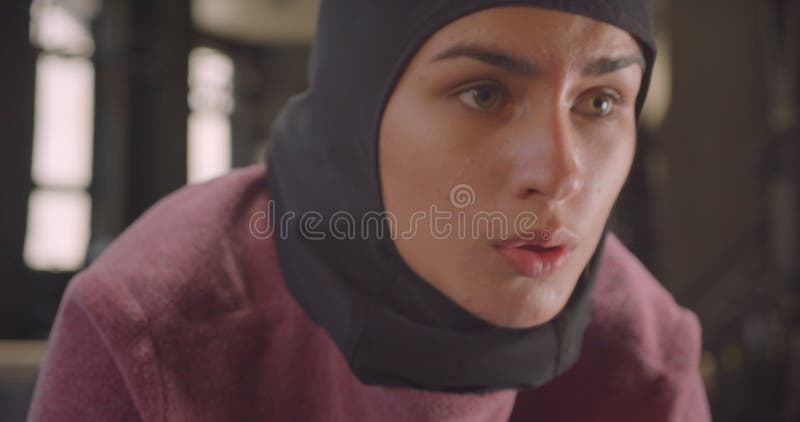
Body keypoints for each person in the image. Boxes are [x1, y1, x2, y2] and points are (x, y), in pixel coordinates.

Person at [28, 1, 712, 421]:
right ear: (358, 109)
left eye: (599, 102)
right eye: (483, 93)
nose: (562, 175)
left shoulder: (645, 345)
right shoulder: (150, 322)